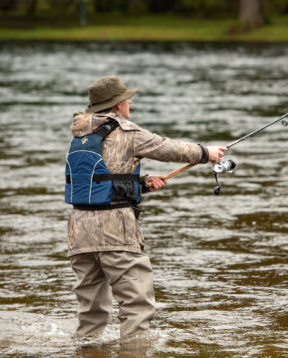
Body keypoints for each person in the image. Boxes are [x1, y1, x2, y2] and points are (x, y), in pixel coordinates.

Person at [65, 76, 226, 340]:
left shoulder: (79, 135)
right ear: (117, 105)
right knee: (137, 307)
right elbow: (166, 148)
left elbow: (95, 180)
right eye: (126, 98)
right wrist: (205, 152)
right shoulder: (126, 131)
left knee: (90, 313)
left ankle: (87, 350)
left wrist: (138, 183)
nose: (129, 102)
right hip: (115, 230)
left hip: (79, 231)